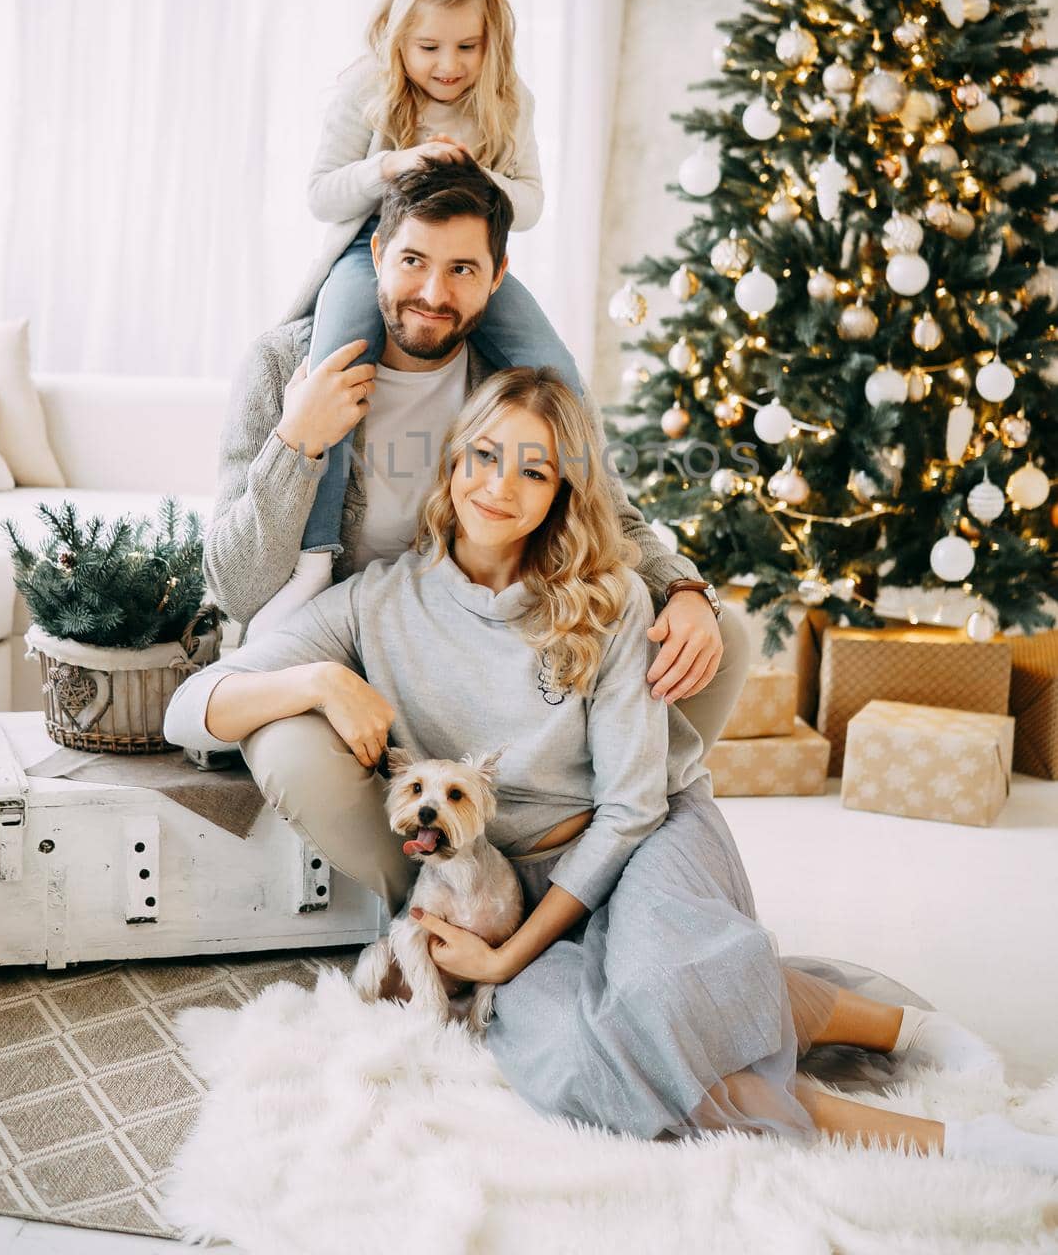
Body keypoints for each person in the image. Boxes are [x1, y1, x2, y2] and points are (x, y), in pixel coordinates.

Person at [164, 368, 1055, 1173]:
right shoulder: (372, 604)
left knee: (665, 998)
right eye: (481, 455)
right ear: (449, 463)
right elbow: (188, 706)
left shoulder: (609, 599)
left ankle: (936, 1089)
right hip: (507, 880)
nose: (498, 486)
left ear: (563, 493)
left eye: (533, 471)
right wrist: (319, 679)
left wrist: (507, 955)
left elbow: (630, 807)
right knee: (588, 1061)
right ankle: (909, 1106)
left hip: (641, 842)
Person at [170, 157, 746, 886]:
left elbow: (601, 508)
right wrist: (298, 443)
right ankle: (440, 914)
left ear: (497, 277)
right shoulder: (285, 364)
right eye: (412, 261)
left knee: (719, 634)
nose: (433, 294)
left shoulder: (509, 378)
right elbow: (236, 582)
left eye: (463, 270)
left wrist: (685, 589)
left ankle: (601, 845)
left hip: (469, 635)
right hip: (342, 632)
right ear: (376, 254)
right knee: (288, 751)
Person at [262, 0, 580, 632]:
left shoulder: (505, 97)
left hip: (467, 257)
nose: (449, 66)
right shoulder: (364, 88)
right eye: (429, 48)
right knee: (335, 365)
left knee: (553, 364)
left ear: (491, 41)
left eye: (467, 47)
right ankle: (315, 553)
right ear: (397, 38)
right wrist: (394, 164)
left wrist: (474, 174)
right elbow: (319, 194)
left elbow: (528, 205)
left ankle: (592, 522)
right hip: (369, 248)